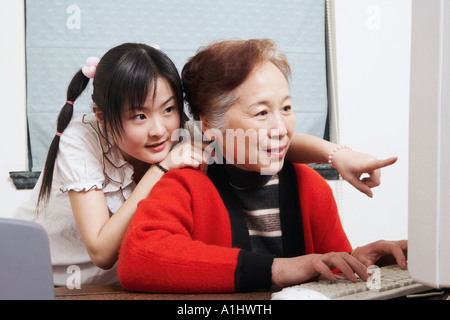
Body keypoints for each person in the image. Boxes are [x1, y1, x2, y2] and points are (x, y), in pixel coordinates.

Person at [15, 41, 395, 287]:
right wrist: (164, 169)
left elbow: (262, 139)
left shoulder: (194, 139)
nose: (160, 129)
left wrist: (337, 154)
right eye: (139, 116)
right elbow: (104, 251)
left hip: (111, 284)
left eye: (168, 110)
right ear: (102, 116)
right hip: (47, 274)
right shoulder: (86, 143)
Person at [117, 39, 406, 293]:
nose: (281, 127)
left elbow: (330, 271)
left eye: (287, 108)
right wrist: (278, 269)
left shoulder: (312, 188)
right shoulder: (185, 185)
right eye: (262, 112)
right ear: (209, 126)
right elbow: (138, 258)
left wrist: (360, 260)